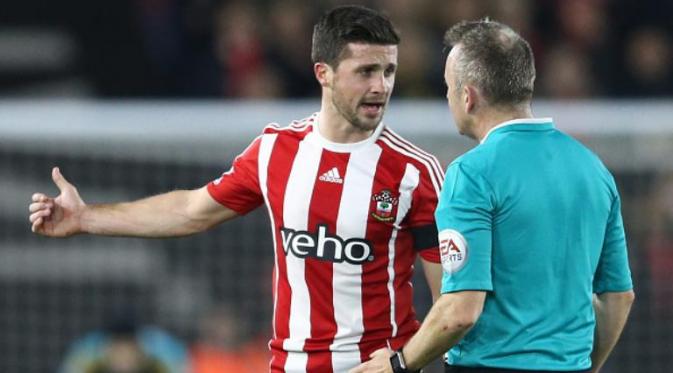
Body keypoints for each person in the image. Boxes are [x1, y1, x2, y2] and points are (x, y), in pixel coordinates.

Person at [29, 5, 444, 373]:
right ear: (324, 73)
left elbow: (452, 303)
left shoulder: (414, 171)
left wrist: (401, 365)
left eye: (388, 71)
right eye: (366, 71)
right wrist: (86, 217)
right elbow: (192, 210)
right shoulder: (275, 151)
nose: (381, 86)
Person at [351, 19, 634, 373]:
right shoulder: (593, 170)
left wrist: (398, 364)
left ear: (468, 96)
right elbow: (618, 296)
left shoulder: (472, 174)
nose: (449, 97)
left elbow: (461, 311)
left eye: (449, 88)